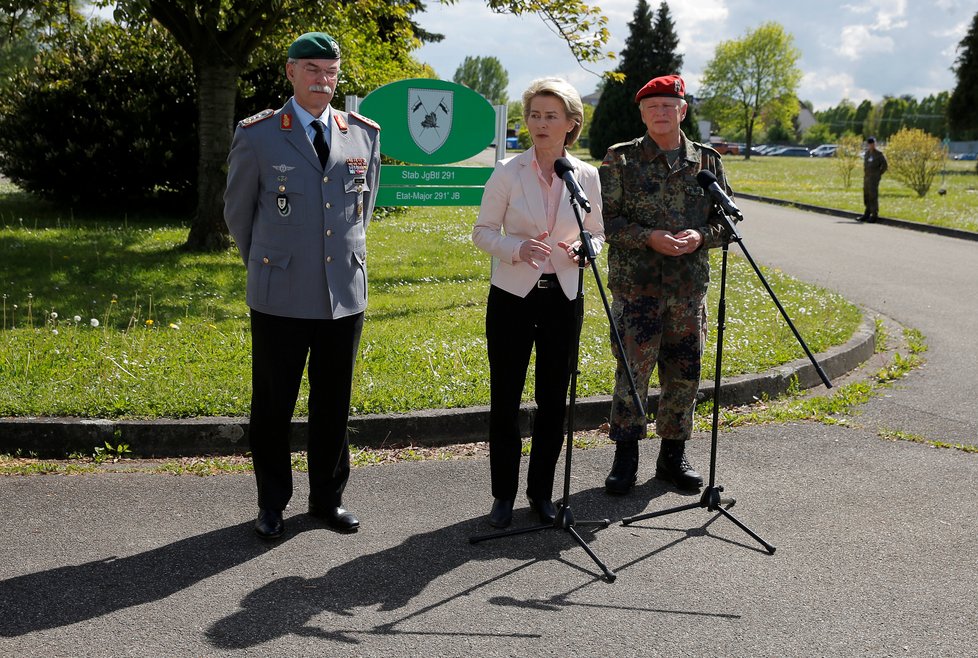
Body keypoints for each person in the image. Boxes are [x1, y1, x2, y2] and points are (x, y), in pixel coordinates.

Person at [223, 32, 381, 539]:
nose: (323, 79)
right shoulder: (259, 134)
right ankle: (272, 502)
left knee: (334, 401)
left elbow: (363, 209)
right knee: (273, 402)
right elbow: (238, 213)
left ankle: (327, 499)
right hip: (280, 293)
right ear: (289, 72)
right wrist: (270, 263)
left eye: (331, 70)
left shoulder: (362, 133)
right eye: (312, 69)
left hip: (343, 293)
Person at [472, 77, 605, 528]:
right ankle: (503, 496)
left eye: (551, 116)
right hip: (512, 298)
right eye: (534, 115)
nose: (540, 124)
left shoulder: (585, 175)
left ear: (571, 124)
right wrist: (517, 247)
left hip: (564, 299)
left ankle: (542, 493)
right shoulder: (508, 171)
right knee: (505, 400)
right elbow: (482, 232)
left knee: (554, 401)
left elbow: (598, 231)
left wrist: (587, 249)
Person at [598, 74, 731, 496]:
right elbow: (605, 220)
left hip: (687, 291)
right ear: (642, 113)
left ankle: (673, 457)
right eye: (652, 107)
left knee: (684, 374)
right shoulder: (619, 160)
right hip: (636, 290)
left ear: (683, 110)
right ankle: (625, 459)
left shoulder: (706, 161)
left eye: (668, 106)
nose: (661, 113)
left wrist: (700, 237)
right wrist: (648, 237)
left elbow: (725, 222)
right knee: (631, 374)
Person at [860, 136, 888, 222]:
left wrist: (878, 174)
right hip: (867, 178)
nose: (871, 145)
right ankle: (867, 213)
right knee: (866, 195)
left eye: (873, 144)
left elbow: (885, 166)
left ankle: (874, 214)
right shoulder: (867, 154)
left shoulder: (879, 154)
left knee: (873, 196)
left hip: (874, 178)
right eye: (870, 144)